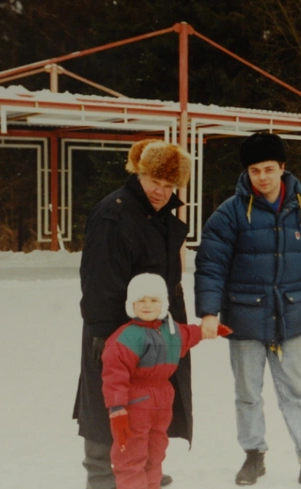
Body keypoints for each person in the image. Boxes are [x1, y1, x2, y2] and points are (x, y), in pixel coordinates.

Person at [195, 133, 301, 489]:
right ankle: (253, 455)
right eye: (254, 170)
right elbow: (211, 265)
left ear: (283, 168)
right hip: (244, 319)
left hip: (289, 317)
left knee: (295, 391)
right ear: (247, 172)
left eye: (268, 169)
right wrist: (208, 311)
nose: (262, 177)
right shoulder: (230, 212)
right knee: (247, 393)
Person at [74, 139, 192, 489]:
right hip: (114, 335)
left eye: (169, 185)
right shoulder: (114, 214)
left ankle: (140, 465)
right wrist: (102, 337)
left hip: (154, 333)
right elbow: (98, 282)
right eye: (155, 180)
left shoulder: (159, 218)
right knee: (107, 404)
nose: (161, 190)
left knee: (146, 405)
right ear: (139, 173)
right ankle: (101, 477)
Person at [103, 273, 231, 489]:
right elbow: (114, 376)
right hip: (136, 402)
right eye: (140, 300)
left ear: (163, 304)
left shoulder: (172, 331)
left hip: (162, 401)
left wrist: (213, 329)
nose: (147, 305)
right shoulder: (125, 338)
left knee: (156, 452)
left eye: (153, 300)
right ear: (131, 304)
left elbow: (192, 333)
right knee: (132, 455)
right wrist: (117, 410)